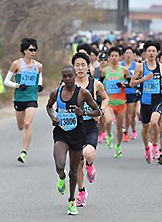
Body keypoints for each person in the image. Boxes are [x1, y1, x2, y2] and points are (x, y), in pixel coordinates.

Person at [46, 65, 101, 215]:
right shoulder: (56, 93)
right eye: (65, 76)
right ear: (62, 78)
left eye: (70, 75)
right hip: (61, 133)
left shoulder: (83, 93)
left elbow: (98, 111)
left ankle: (71, 201)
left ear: (75, 75)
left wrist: (83, 112)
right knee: (59, 164)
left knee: (74, 172)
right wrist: (53, 117)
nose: (68, 79)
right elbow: (49, 107)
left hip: (77, 135)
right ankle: (61, 177)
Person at [71, 53, 109, 207]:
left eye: (83, 65)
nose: (80, 68)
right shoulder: (68, 84)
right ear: (73, 67)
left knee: (87, 154)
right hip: (75, 127)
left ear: (88, 67)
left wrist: (100, 111)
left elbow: (106, 98)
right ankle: (81, 191)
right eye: (77, 65)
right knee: (77, 162)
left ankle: (90, 164)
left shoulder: (96, 84)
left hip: (90, 125)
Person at [130, 41, 162, 164]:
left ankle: (154, 145)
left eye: (154, 51)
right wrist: (143, 79)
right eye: (149, 51)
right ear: (145, 53)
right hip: (145, 100)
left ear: (157, 53)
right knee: (145, 127)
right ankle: (147, 148)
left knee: (154, 122)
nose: (151, 53)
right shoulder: (140, 67)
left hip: (158, 99)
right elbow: (132, 83)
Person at [3, 38, 43, 163]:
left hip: (32, 97)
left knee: (27, 123)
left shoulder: (38, 66)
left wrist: (40, 85)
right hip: (19, 98)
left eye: (35, 50)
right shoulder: (17, 64)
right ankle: (22, 129)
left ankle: (24, 152)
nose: (33, 52)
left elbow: (40, 77)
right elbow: (6, 81)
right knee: (21, 126)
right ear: (24, 50)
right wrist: (18, 85)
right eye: (31, 50)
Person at [103, 47, 129, 158]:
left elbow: (129, 83)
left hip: (120, 103)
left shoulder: (124, 70)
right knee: (108, 121)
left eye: (116, 56)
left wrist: (123, 85)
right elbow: (100, 84)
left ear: (120, 57)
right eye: (112, 56)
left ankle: (118, 146)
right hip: (109, 102)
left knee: (119, 128)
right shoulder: (105, 71)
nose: (114, 58)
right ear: (109, 58)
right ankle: (109, 135)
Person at [121, 46, 140, 141]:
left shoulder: (137, 66)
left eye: (130, 53)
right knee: (124, 114)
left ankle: (132, 130)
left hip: (132, 93)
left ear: (133, 55)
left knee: (131, 115)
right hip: (121, 93)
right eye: (127, 53)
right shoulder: (120, 66)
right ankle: (125, 131)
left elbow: (140, 78)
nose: (128, 55)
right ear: (123, 55)